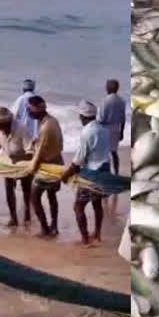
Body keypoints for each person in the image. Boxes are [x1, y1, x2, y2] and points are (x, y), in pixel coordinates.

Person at [60, 100, 110, 245]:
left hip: (91, 173)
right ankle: (97, 234)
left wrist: (66, 175)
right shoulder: (103, 129)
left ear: (83, 116)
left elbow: (79, 160)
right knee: (97, 203)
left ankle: (85, 238)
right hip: (105, 171)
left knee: (78, 206)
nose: (79, 118)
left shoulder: (87, 132)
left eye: (80, 116)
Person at [26, 96, 64, 237]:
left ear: (37, 108)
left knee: (34, 197)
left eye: (30, 109)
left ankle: (45, 228)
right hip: (57, 162)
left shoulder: (46, 126)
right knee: (52, 196)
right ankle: (54, 226)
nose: (28, 112)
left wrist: (31, 168)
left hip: (47, 166)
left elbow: (41, 152)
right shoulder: (51, 121)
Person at [0, 106, 33, 227]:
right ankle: (13, 217)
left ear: (8, 122)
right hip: (8, 162)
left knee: (26, 189)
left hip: (23, 163)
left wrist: (21, 162)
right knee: (9, 189)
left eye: (1, 125)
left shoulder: (21, 128)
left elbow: (30, 152)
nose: (0, 128)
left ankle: (27, 214)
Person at [97, 79, 126, 175]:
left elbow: (101, 118)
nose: (105, 88)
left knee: (104, 153)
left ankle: (107, 173)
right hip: (116, 128)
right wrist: (122, 131)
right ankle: (116, 172)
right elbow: (123, 118)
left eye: (107, 86)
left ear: (109, 88)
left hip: (105, 128)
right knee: (114, 152)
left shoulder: (105, 100)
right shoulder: (121, 101)